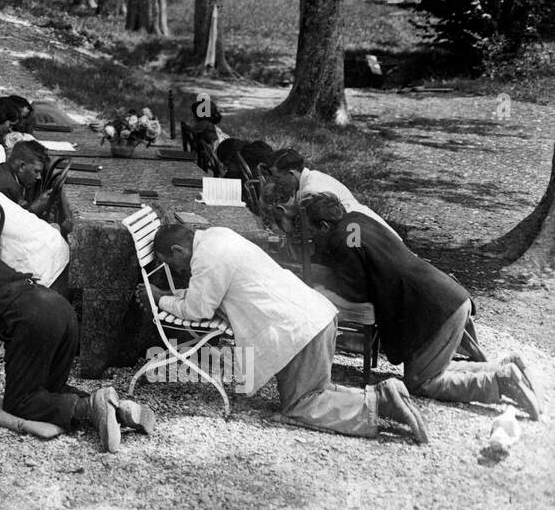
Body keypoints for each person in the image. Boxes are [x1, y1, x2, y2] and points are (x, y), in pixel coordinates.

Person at [151, 222, 430, 444]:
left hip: (297, 332)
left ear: (178, 250)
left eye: (174, 262)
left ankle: (381, 403)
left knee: (301, 406)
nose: (178, 269)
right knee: (317, 391)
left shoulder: (207, 260)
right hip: (316, 316)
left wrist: (160, 298)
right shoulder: (216, 236)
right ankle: (382, 395)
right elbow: (207, 293)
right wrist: (169, 295)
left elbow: (199, 308)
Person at [300, 194, 539, 418]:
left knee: (422, 382)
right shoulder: (356, 220)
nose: (310, 236)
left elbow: (356, 293)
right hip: (447, 296)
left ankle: (500, 382)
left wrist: (322, 285)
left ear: (324, 226)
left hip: (436, 310)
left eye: (311, 230)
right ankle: (503, 369)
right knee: (430, 370)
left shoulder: (341, 240)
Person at [0, 253, 154, 451]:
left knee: (19, 402)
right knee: (51, 389)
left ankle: (87, 407)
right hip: (60, 307)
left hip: (33, 318)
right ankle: (119, 409)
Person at [264, 149, 399, 239]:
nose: (276, 182)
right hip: (362, 227)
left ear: (291, 173)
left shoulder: (310, 191)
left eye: (277, 177)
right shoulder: (313, 176)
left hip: (361, 233)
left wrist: (280, 220)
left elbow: (310, 235)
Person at [0, 139, 50, 210]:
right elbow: (18, 222)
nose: (39, 177)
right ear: (22, 167)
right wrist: (39, 204)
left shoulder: (4, 170)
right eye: (36, 171)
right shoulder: (7, 187)